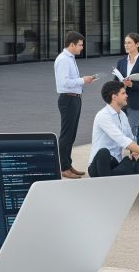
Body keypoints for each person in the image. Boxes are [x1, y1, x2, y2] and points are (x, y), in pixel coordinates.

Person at [88, 81, 139, 194]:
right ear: (114, 97)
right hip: (98, 166)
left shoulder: (122, 115)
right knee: (103, 152)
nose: (127, 95)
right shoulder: (103, 116)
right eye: (123, 93)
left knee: (131, 160)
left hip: (115, 164)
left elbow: (130, 138)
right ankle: (107, 188)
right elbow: (123, 141)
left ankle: (114, 183)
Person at [55, 31, 95, 179]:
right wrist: (82, 80)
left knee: (71, 135)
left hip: (74, 98)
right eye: (80, 45)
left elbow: (70, 80)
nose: (82, 47)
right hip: (68, 99)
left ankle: (68, 164)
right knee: (66, 135)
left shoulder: (70, 58)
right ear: (72, 44)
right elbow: (64, 82)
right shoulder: (63, 60)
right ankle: (63, 167)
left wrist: (83, 80)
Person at [116, 32, 139, 138]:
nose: (126, 45)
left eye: (129, 43)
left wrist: (132, 84)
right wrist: (121, 84)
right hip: (121, 101)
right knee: (120, 130)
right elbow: (115, 82)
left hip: (135, 102)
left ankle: (134, 149)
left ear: (137, 44)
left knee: (133, 131)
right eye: (125, 43)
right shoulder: (121, 62)